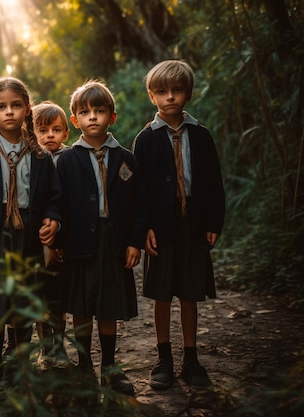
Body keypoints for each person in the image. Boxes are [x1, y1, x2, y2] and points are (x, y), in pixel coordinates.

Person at [0, 77, 62, 395]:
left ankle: (20, 367)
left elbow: (53, 199)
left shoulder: (41, 156)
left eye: (16, 105)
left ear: (27, 110)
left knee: (23, 305)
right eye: (1, 107)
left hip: (28, 235)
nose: (9, 112)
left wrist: (52, 221)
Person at [132, 60, 225, 390]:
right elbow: (138, 191)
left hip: (194, 226)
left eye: (177, 90)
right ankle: (164, 358)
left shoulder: (201, 136)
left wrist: (214, 220)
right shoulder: (145, 140)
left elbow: (214, 182)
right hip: (161, 229)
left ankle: (191, 358)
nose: (170, 97)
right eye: (162, 91)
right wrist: (143, 229)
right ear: (152, 96)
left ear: (188, 93)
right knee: (161, 294)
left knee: (189, 293)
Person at [55, 80, 146, 396]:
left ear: (112, 117)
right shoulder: (66, 160)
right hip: (78, 241)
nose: (92, 117)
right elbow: (57, 202)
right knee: (81, 303)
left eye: (100, 111)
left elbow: (139, 205)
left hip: (115, 242)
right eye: (85, 111)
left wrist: (135, 241)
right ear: (74, 119)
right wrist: (58, 241)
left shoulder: (126, 158)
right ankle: (84, 365)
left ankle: (110, 367)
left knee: (108, 305)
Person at [32, 100, 70, 368]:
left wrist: (61, 241)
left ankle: (60, 346)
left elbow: (74, 203)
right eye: (43, 130)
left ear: (66, 133)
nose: (50, 136)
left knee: (59, 298)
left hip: (64, 239)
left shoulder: (70, 159)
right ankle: (44, 348)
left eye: (56, 130)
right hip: (37, 240)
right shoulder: (32, 159)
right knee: (39, 296)